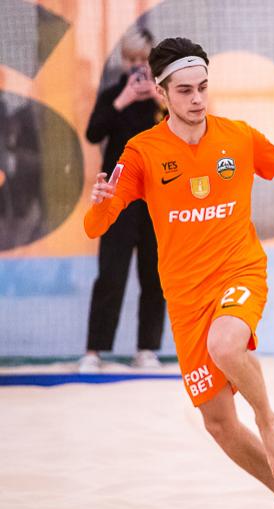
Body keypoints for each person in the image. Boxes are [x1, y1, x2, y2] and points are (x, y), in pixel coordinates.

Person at [85, 37, 274, 509]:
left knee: (226, 344)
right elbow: (96, 226)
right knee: (218, 423)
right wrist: (99, 204)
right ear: (162, 92)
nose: (197, 99)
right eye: (184, 90)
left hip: (240, 271)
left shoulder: (239, 137)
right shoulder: (141, 152)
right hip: (185, 298)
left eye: (202, 87)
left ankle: (268, 420)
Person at [80, 28, 166, 373]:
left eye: (143, 60)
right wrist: (122, 101)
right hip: (118, 199)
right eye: (131, 59)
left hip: (156, 198)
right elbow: (93, 133)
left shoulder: (164, 98)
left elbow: (189, 133)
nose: (137, 67)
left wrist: (160, 101)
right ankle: (94, 351)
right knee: (111, 274)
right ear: (122, 61)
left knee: (154, 275)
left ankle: (146, 349)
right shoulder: (112, 95)